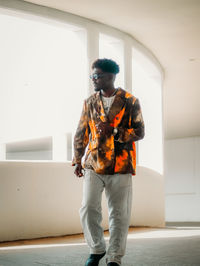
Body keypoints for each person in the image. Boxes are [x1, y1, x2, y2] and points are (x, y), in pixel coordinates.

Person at [72, 58, 145, 266]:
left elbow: (140, 132)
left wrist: (114, 131)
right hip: (93, 163)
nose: (94, 79)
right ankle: (96, 249)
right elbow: (81, 132)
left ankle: (114, 257)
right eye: (92, 76)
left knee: (119, 214)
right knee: (88, 207)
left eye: (98, 75)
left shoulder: (130, 101)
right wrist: (78, 158)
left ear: (111, 77)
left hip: (120, 164)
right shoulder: (90, 102)